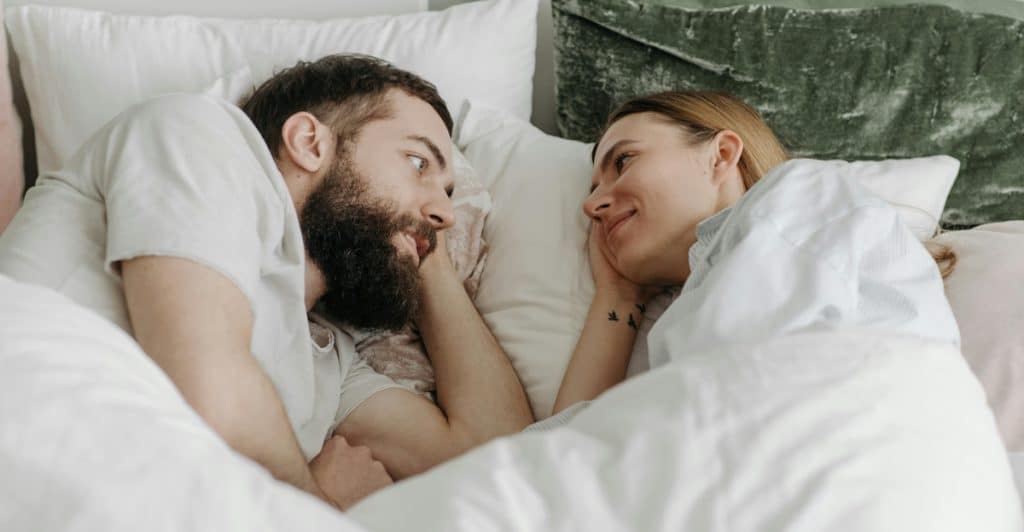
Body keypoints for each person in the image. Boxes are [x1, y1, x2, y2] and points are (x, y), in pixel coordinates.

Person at [0, 54, 533, 510]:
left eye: (447, 191)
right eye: (418, 161)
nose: (446, 212)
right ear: (308, 141)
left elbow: (494, 453)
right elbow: (210, 385)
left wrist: (421, 246)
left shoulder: (327, 359)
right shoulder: (199, 134)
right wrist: (317, 503)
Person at [552, 90, 960, 415]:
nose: (592, 206)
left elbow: (735, 405)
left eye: (623, 161)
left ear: (722, 154)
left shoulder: (800, 195)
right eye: (592, 192)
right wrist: (618, 296)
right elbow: (567, 454)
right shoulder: (692, 310)